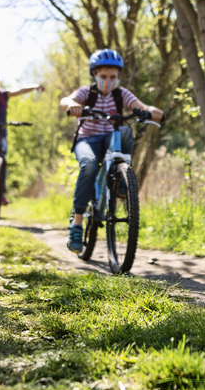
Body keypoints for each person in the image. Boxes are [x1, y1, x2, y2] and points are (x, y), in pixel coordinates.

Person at [60, 49, 163, 253]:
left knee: (124, 131)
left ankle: (122, 177)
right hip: (87, 139)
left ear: (118, 77)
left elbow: (139, 105)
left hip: (110, 139)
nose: (108, 80)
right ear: (95, 74)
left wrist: (151, 110)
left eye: (113, 77)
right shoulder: (86, 93)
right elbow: (66, 100)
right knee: (89, 165)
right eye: (103, 76)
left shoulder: (121, 94)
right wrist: (73, 105)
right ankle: (77, 223)